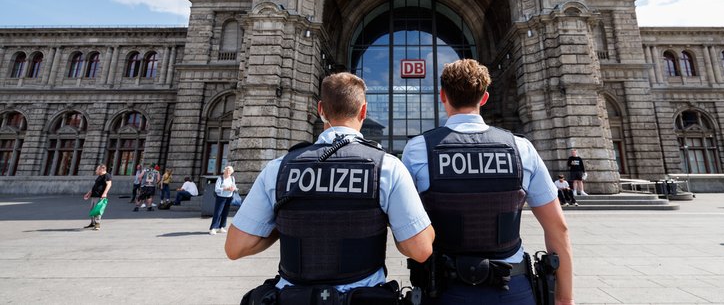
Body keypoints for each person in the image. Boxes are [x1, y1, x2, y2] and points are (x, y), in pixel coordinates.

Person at [225, 72, 434, 304]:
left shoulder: (278, 169)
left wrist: (284, 221)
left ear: (321, 110)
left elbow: (235, 247)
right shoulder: (387, 167)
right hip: (363, 298)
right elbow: (421, 249)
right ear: (364, 111)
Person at [402, 59, 573, 305]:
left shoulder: (418, 149)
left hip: (444, 289)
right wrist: (565, 298)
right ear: (484, 98)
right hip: (512, 289)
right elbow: (558, 228)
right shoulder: (521, 148)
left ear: (442, 96)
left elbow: (408, 230)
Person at [83, 164, 112, 230]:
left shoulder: (107, 175)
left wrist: (104, 193)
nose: (96, 170)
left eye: (97, 169)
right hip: (94, 195)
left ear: (101, 169)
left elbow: (109, 185)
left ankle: (97, 224)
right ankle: (93, 223)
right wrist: (89, 193)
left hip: (100, 195)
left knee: (97, 210)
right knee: (92, 210)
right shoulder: (99, 176)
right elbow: (95, 186)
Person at [209, 166, 236, 234]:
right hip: (221, 197)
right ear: (224, 171)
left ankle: (221, 227)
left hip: (229, 197)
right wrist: (225, 189)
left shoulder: (232, 178)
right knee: (218, 213)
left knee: (225, 213)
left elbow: (234, 186)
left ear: (231, 172)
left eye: (229, 171)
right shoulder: (220, 178)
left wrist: (233, 188)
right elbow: (216, 189)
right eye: (227, 170)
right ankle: (213, 228)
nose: (228, 172)